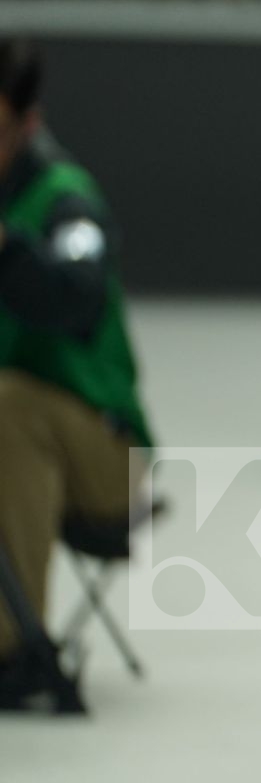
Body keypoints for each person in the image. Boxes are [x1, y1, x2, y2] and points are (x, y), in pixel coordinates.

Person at [0, 40, 151, 710]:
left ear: (26, 124)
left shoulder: (66, 201)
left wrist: (8, 252)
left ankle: (15, 649)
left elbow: (77, 295)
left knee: (7, 406)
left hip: (106, 453)